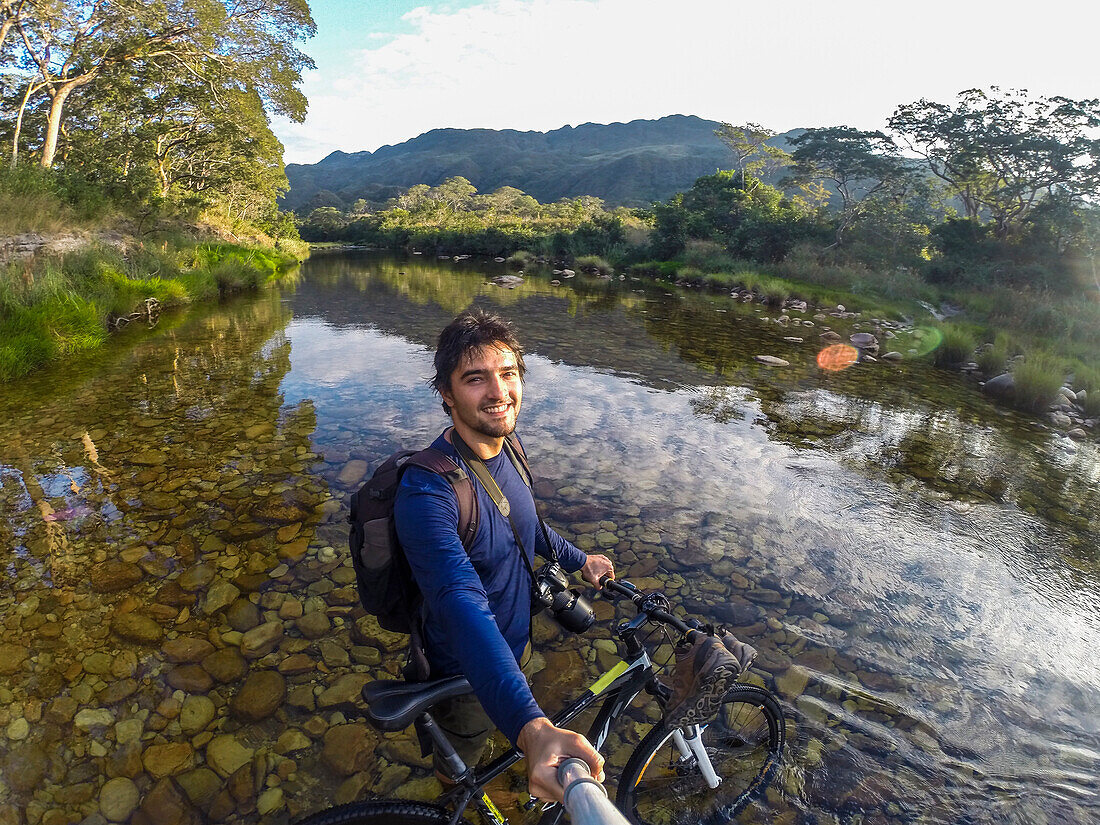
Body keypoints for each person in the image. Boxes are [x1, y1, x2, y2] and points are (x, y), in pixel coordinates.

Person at [393, 308, 615, 804]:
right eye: (476, 379)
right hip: (463, 669)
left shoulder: (506, 445)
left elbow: (525, 525)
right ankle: (457, 798)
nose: (499, 393)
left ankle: (503, 737)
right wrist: (534, 729)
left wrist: (581, 560)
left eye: (508, 374)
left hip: (514, 645)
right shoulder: (428, 490)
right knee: (464, 762)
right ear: (447, 395)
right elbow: (459, 600)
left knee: (503, 721)